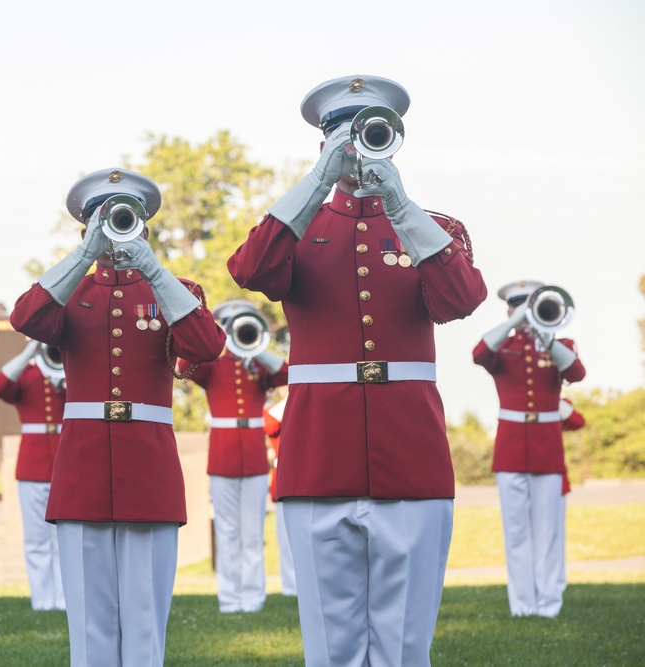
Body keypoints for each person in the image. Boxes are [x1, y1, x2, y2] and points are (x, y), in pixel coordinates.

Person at [227, 75, 487, 666]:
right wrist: (317, 181)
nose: (355, 149)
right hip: (318, 455)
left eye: (367, 133)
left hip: (411, 454)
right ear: (322, 145)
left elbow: (461, 299)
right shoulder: (300, 226)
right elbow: (250, 269)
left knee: (403, 647)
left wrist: (399, 202)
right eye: (340, 137)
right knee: (331, 647)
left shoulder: (433, 229)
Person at [10, 168, 225, 667]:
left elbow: (206, 347)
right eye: (101, 222)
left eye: (125, 218)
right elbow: (26, 317)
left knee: (146, 619)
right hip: (83, 467)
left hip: (148, 466)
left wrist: (154, 270)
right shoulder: (73, 290)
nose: (115, 229)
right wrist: (84, 254)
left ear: (145, 226)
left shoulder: (175, 288)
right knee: (89, 623)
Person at [473, 280, 586, 618]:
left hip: (547, 449)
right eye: (517, 308)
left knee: (548, 531)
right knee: (516, 532)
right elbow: (479, 354)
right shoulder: (502, 345)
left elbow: (577, 373)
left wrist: (545, 333)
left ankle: (549, 604)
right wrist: (512, 323)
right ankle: (522, 606)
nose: (523, 314)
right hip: (510, 449)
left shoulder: (558, 343)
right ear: (509, 310)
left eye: (529, 307)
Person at [177, 299, 287, 613]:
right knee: (226, 530)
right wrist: (217, 338)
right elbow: (184, 367)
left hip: (252, 454)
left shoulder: (258, 366)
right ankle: (229, 598)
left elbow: (286, 373)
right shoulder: (214, 364)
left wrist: (255, 348)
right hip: (223, 454)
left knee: (251, 530)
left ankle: (253, 598)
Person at [0, 338, 67, 611]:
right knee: (36, 538)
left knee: (64, 539)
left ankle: (64, 598)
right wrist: (28, 353)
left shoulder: (68, 373)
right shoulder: (27, 375)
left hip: (65, 464)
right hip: (32, 466)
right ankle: (43, 600)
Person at [262, 387, 296, 597]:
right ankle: (291, 588)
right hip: (285, 477)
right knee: (286, 541)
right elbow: (269, 424)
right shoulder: (278, 409)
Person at [558, 397, 585, 595]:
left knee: (554, 537)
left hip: (554, 476)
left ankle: (555, 585)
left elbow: (578, 422)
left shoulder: (558, 401)